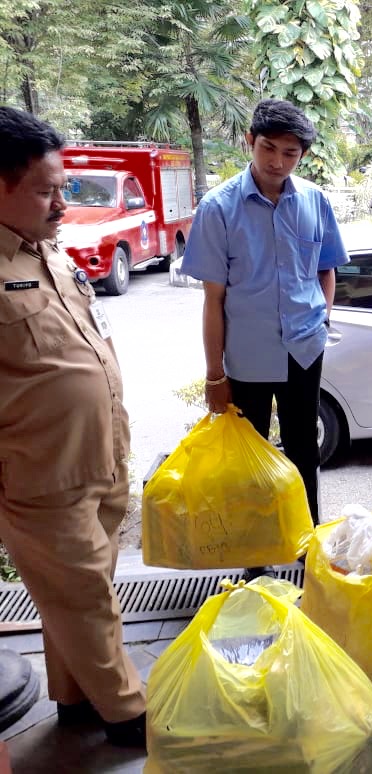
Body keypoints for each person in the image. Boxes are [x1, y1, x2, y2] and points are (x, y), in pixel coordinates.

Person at [0, 106, 146, 746]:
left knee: (83, 588)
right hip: (40, 471)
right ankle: (128, 715)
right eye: (45, 189)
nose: (62, 203)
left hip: (99, 458)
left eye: (63, 187)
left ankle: (77, 696)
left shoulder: (49, 254)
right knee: (85, 593)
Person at [182, 99, 347, 577]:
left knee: (303, 449)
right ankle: (255, 559)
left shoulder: (315, 200)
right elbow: (213, 300)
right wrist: (215, 375)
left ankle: (306, 542)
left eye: (290, 153)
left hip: (304, 348)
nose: (277, 162)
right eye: (268, 148)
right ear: (249, 142)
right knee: (251, 459)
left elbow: (326, 269)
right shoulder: (218, 208)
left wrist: (322, 319)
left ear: (302, 155)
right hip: (248, 355)